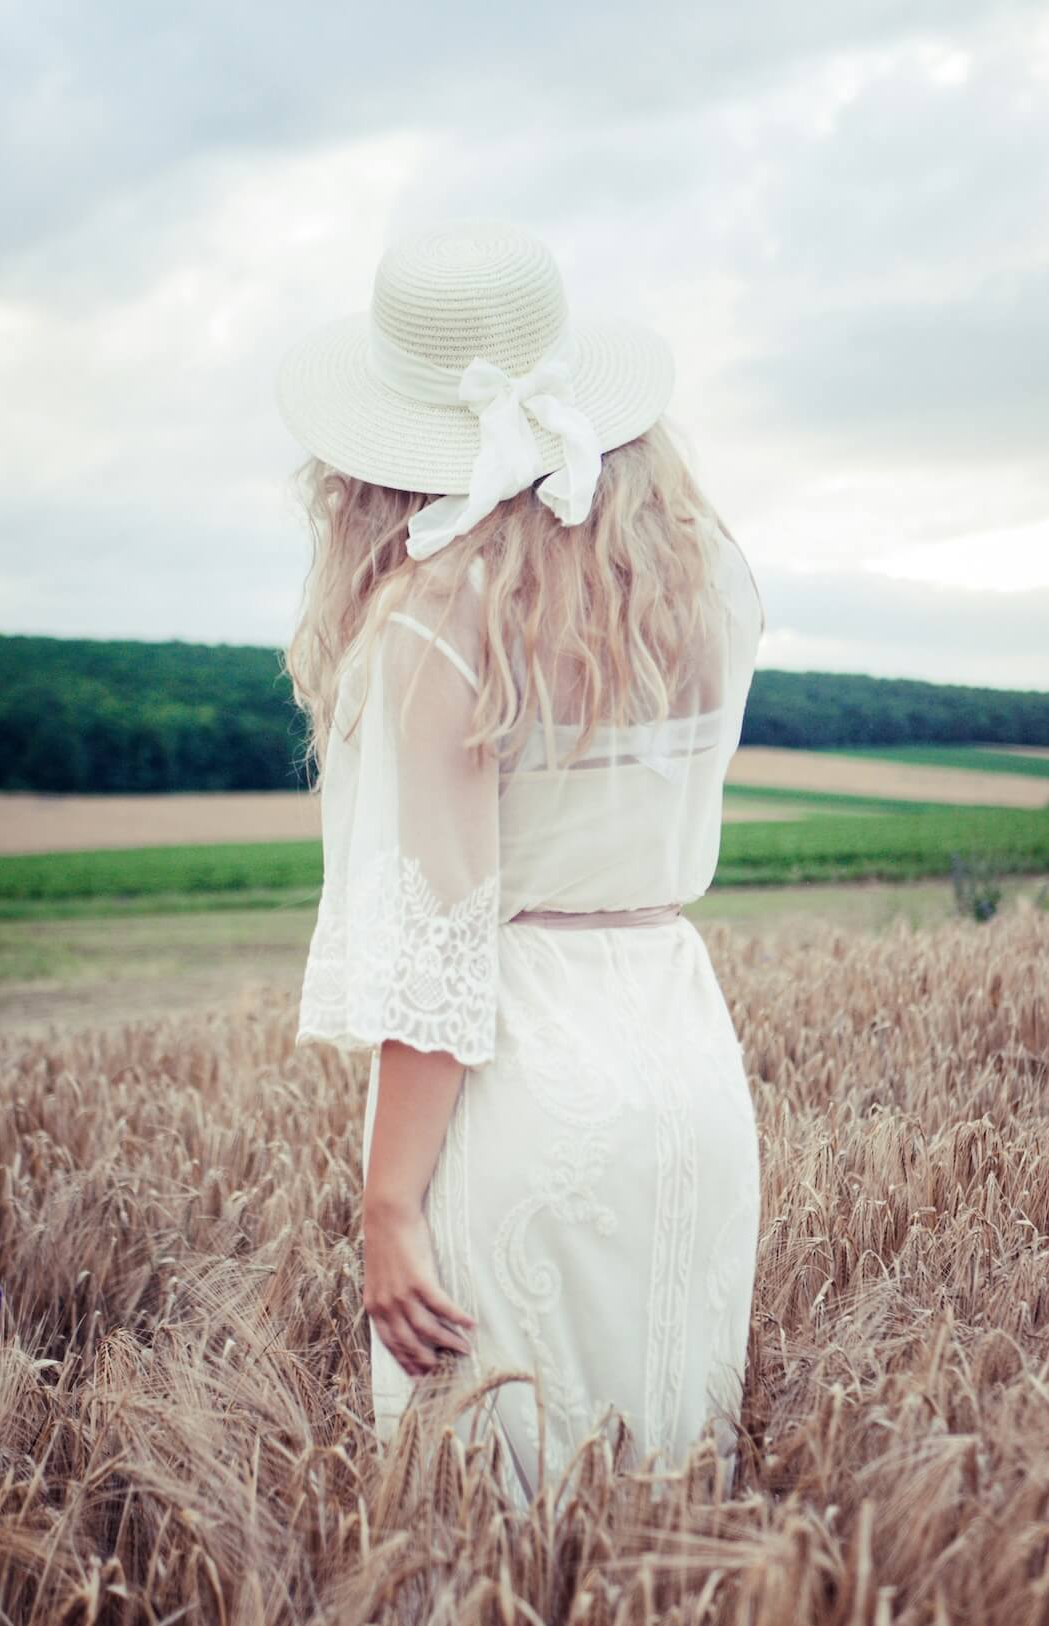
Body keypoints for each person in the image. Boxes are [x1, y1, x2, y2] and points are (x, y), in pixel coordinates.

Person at [275, 218, 765, 1503]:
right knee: (673, 1524)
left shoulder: (430, 624)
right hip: (689, 1064)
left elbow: (439, 952)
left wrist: (387, 1207)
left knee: (491, 1541)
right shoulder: (704, 587)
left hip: (522, 1088)